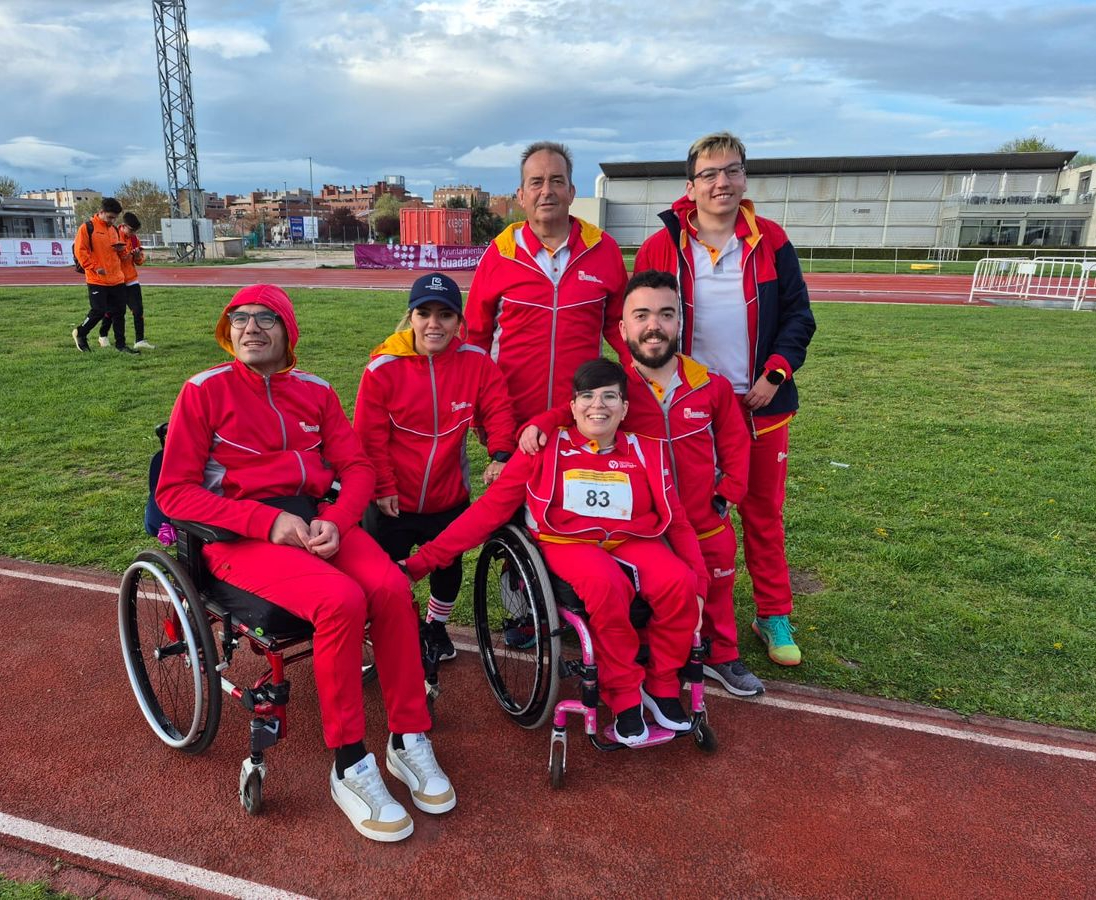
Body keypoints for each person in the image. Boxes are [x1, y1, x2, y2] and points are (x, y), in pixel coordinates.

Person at [156, 283, 454, 843]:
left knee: (391, 588)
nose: (250, 328)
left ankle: (408, 737)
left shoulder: (316, 392)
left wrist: (336, 520)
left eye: (265, 318)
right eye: (239, 318)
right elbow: (174, 493)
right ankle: (349, 764)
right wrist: (265, 522)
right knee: (340, 600)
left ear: (288, 331)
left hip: (318, 522)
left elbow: (357, 466)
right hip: (239, 536)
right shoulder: (203, 391)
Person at [404, 359, 708, 745]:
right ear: (573, 405)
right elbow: (489, 511)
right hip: (568, 542)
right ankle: (624, 695)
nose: (598, 406)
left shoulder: (646, 449)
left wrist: (700, 584)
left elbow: (677, 523)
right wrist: (423, 561)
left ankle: (662, 685)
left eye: (610, 397)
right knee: (605, 585)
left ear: (624, 407)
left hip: (632, 539)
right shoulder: (544, 448)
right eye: (588, 397)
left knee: (679, 582)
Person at [520, 270, 762, 696]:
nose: (654, 325)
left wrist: (729, 492)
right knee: (656, 592)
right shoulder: (614, 390)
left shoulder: (711, 386)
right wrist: (541, 421)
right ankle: (652, 661)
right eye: (642, 315)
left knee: (717, 584)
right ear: (623, 327)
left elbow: (736, 444)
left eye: (666, 314)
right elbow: (572, 412)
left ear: (680, 321)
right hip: (647, 524)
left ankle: (722, 654)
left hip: (703, 518)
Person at [635, 131, 816, 668]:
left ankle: (772, 614)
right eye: (710, 173)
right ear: (690, 185)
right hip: (687, 408)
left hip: (760, 405)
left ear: (745, 178)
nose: (722, 182)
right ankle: (673, 609)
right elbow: (638, 321)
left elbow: (799, 317)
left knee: (762, 513)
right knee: (681, 512)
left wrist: (775, 374)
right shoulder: (662, 246)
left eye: (732, 171)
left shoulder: (771, 239)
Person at [353, 272, 517, 662]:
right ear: (410, 317)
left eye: (445, 315)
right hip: (392, 500)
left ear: (459, 321)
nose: (434, 324)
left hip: (448, 496)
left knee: (447, 567)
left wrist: (500, 455)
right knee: (385, 574)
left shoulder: (475, 362)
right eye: (424, 313)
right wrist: (383, 487)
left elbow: (498, 409)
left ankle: (437, 627)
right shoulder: (382, 368)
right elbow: (369, 437)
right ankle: (395, 630)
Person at [465, 141, 629, 424]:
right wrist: (480, 409)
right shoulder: (499, 254)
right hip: (510, 418)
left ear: (571, 192)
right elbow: (474, 338)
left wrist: (636, 382)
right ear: (521, 195)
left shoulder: (604, 250)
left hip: (582, 418)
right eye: (536, 182)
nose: (546, 191)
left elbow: (622, 329)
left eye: (557, 180)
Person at [71, 197, 136, 354]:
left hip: (116, 278)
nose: (112, 221)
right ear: (101, 212)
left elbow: (120, 255)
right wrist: (94, 267)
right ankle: (81, 333)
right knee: (98, 311)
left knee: (119, 312)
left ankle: (121, 345)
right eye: (110, 217)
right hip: (97, 279)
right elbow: (80, 251)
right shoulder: (87, 228)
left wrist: (123, 251)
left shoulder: (114, 230)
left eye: (115, 218)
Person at [99, 212, 154, 350]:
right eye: (131, 230)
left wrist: (137, 256)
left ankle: (140, 340)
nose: (133, 233)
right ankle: (103, 335)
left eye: (135, 231)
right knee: (113, 310)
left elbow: (139, 261)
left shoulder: (134, 239)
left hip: (131, 279)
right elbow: (113, 258)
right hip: (116, 280)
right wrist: (127, 254)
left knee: (138, 310)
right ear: (123, 226)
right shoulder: (114, 236)